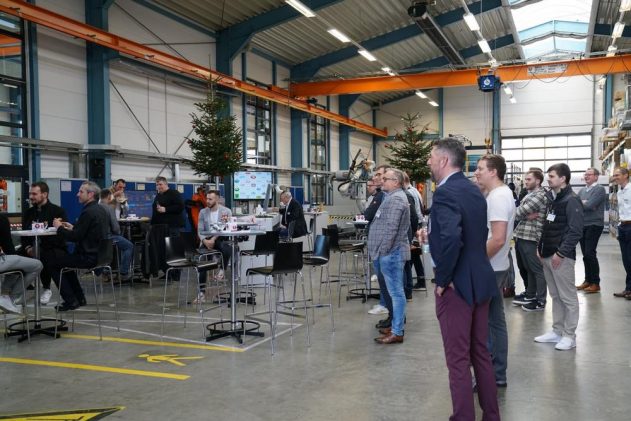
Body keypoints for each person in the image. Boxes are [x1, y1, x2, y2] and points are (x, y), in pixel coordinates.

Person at [424, 138, 500, 420]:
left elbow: (452, 238)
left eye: (432, 157)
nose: (429, 162)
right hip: (481, 279)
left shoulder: (445, 193)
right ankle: (491, 414)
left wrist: (443, 279)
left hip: (458, 286)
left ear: (444, 160)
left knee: (457, 360)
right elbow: (472, 234)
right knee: (480, 352)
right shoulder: (473, 190)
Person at [474, 154, 514, 388]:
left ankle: (490, 373)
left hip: (490, 267)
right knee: (495, 321)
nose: (476, 172)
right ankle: (497, 372)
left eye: (480, 169)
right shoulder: (499, 194)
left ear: (493, 172)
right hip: (497, 265)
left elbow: (497, 239)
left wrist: (476, 263)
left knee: (486, 323)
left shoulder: (498, 197)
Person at [535, 163, 583, 351]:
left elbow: (575, 231)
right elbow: (548, 226)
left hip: (561, 257)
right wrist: (540, 248)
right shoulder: (554, 199)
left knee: (568, 297)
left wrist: (561, 253)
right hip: (548, 254)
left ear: (563, 179)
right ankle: (557, 331)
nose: (548, 179)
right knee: (555, 296)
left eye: (552, 176)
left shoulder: (572, 200)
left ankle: (570, 336)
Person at [49, 181, 109, 311]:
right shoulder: (100, 210)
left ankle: (71, 300)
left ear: (91, 194)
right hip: (100, 256)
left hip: (88, 257)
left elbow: (75, 237)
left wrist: (59, 228)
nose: (77, 194)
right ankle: (79, 298)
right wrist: (73, 227)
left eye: (81, 192)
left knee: (52, 264)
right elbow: (87, 232)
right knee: (66, 265)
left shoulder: (88, 212)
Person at [368, 168, 410, 344]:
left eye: (386, 178)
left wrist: (383, 251)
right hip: (389, 252)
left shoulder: (396, 199)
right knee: (394, 292)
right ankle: (394, 326)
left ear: (396, 182)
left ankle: (397, 331)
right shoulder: (391, 197)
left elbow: (391, 229)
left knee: (396, 293)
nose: (382, 180)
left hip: (391, 253)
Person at [21, 181, 67, 305]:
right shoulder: (28, 213)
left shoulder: (58, 211)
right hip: (31, 247)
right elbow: (24, 234)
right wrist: (28, 248)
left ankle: (46, 288)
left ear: (44, 194)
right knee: (15, 256)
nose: (31, 197)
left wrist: (39, 248)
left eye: (34, 194)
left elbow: (61, 235)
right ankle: (16, 290)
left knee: (45, 255)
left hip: (52, 247)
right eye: (30, 194)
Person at [512, 169, 548, 311]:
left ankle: (541, 300)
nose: (525, 182)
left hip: (531, 237)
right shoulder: (531, 194)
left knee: (537, 269)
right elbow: (520, 212)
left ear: (537, 181)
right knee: (529, 268)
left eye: (528, 179)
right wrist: (525, 215)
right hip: (523, 235)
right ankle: (530, 295)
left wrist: (521, 214)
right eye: (525, 179)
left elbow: (517, 212)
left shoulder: (539, 195)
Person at [0, 213, 42, 314]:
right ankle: (10, 297)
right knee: (37, 265)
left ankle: (5, 295)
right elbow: (8, 246)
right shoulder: (1, 219)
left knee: (15, 266)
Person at [195, 190, 233, 303]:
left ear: (217, 199)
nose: (207, 201)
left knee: (227, 247)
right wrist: (205, 241)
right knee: (202, 261)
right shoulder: (203, 212)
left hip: (220, 238)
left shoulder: (226, 211)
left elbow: (225, 228)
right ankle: (201, 293)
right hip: (206, 240)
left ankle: (222, 269)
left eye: (210, 199)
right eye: (207, 198)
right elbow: (200, 230)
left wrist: (213, 239)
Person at [364, 165, 389, 319]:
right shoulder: (382, 196)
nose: (375, 178)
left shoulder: (384, 197)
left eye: (379, 175)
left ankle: (386, 305)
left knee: (384, 277)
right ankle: (386, 305)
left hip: (384, 245)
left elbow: (369, 215)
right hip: (380, 244)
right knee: (382, 277)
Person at [576, 168, 607, 293]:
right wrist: (585, 203)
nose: (586, 176)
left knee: (590, 253)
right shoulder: (582, 190)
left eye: (589, 174)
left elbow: (590, 205)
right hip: (582, 225)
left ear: (596, 177)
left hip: (594, 224)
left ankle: (595, 283)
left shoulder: (599, 189)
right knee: (585, 255)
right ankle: (587, 280)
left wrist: (585, 203)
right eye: (585, 174)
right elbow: (576, 204)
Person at [99, 189, 134, 281]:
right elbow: (115, 227)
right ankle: (123, 273)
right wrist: (118, 233)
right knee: (129, 246)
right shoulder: (109, 208)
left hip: (97, 238)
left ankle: (105, 271)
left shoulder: (95, 207)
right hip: (109, 236)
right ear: (109, 196)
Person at [403, 173, 426, 292]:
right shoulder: (415, 190)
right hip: (418, 224)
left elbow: (414, 213)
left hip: (415, 226)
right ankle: (421, 281)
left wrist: (413, 231)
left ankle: (409, 283)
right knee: (415, 255)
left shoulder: (409, 193)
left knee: (412, 255)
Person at [612, 167, 631, 299]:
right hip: (623, 227)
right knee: (626, 260)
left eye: (617, 175)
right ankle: (628, 288)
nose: (615, 177)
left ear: (626, 175)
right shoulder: (619, 192)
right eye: (614, 175)